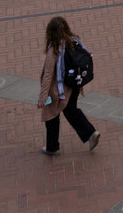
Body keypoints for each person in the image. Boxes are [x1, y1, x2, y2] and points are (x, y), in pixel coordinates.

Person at [37, 15, 99, 154]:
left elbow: (48, 74)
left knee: (51, 114)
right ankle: (91, 133)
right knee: (71, 110)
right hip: (74, 85)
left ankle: (52, 147)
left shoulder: (54, 49)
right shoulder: (74, 41)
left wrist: (42, 96)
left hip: (59, 89)